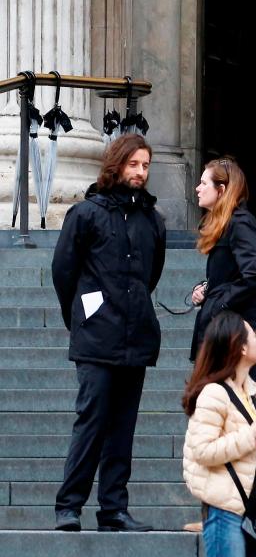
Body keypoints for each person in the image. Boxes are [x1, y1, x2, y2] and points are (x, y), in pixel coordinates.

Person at [51, 133, 166, 532]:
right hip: (96, 338)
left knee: (123, 428)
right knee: (92, 421)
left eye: (145, 166)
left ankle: (113, 508)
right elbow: (63, 272)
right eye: (133, 164)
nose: (140, 172)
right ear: (116, 165)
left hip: (136, 337)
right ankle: (69, 506)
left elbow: (151, 275)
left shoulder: (154, 220)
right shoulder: (85, 214)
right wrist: (84, 315)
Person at [183, 310, 256, 557]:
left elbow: (250, 449)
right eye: (254, 334)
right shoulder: (214, 394)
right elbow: (202, 451)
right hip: (224, 511)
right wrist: (252, 434)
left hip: (249, 510)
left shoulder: (252, 391)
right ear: (240, 348)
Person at [189, 157, 256, 389]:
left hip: (234, 334)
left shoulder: (239, 223)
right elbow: (231, 273)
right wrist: (207, 288)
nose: (198, 188)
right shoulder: (227, 224)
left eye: (204, 183)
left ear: (221, 189)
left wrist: (220, 302)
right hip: (224, 330)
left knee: (232, 406)